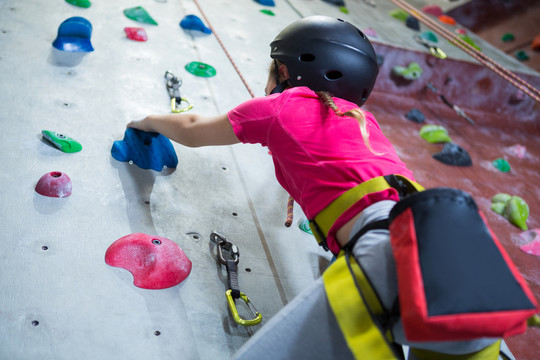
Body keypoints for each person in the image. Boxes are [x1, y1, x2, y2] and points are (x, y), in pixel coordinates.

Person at [128, 16, 503, 360]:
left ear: (286, 71)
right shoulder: (362, 122)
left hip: (389, 246)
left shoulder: (283, 104)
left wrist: (144, 121)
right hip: (465, 245)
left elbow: (193, 129)